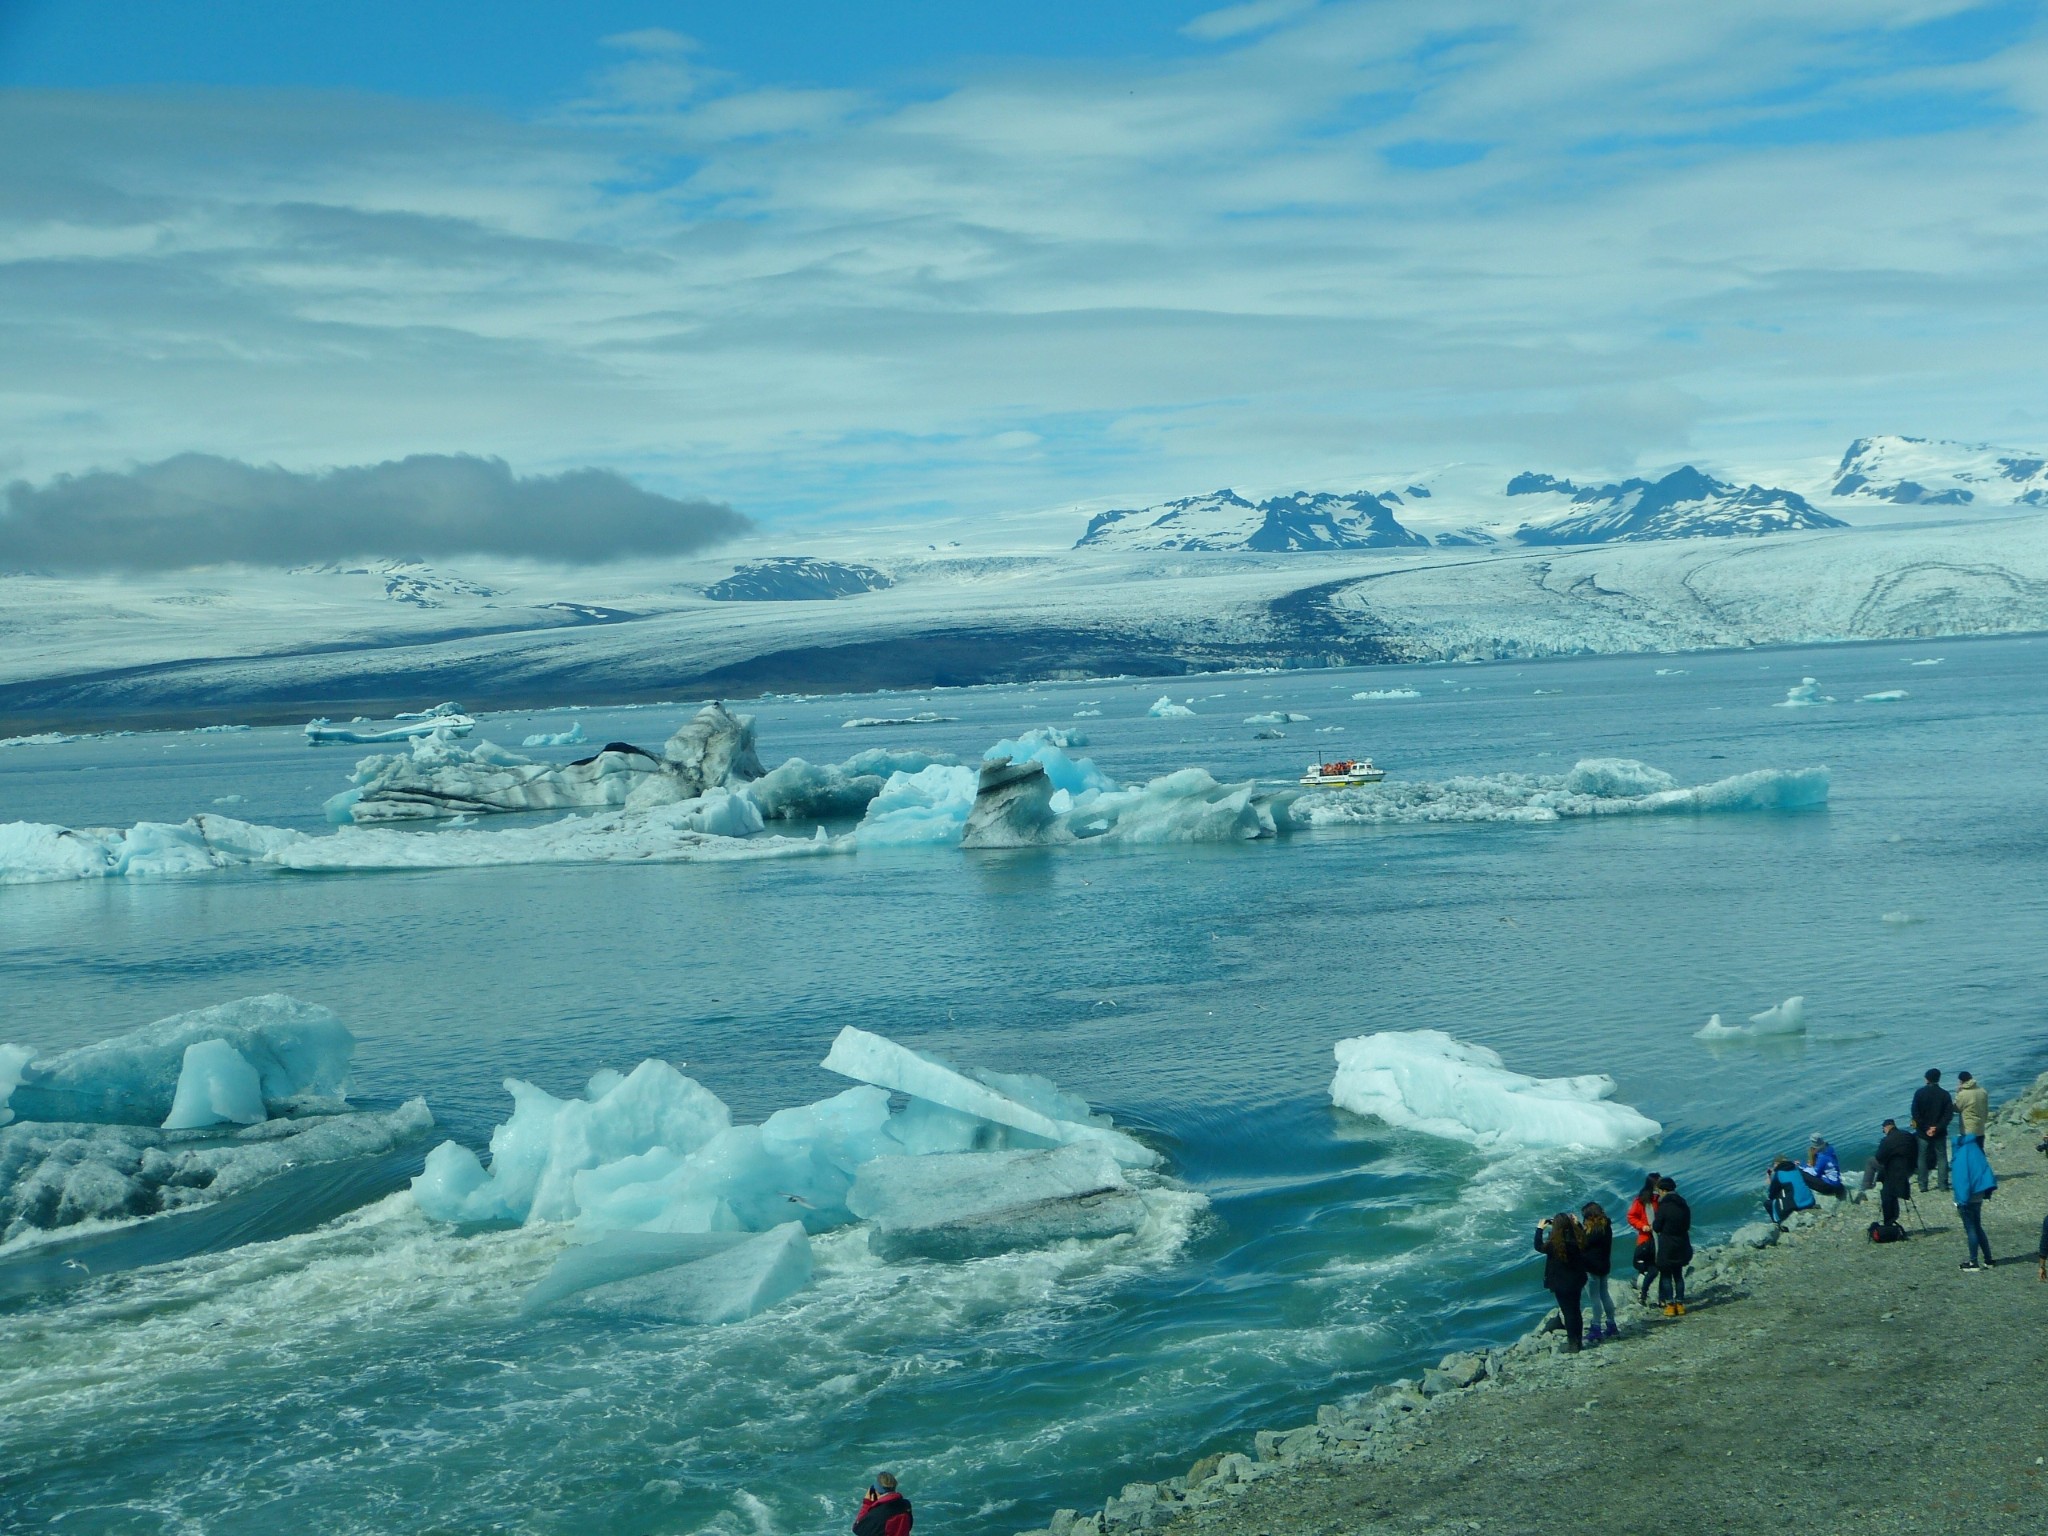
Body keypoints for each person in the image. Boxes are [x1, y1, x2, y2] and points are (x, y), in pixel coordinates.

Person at [1534, 1210, 1587, 1351]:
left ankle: (1573, 1344)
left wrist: (1539, 1229)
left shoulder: (1553, 1244)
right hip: (1577, 1281)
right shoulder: (1578, 1239)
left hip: (1561, 1284)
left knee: (1568, 1312)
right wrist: (1578, 1224)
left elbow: (1538, 1246)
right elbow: (1584, 1237)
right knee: (1576, 1310)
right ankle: (1579, 1341)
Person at [1951, 1130, 1998, 1272]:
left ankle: (1973, 1262)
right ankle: (1988, 1259)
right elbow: (1986, 1171)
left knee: (1970, 1229)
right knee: (1978, 1227)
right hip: (1979, 1194)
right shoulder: (1976, 1149)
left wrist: (1961, 1201)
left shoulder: (1961, 1155)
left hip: (1968, 1196)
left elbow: (1962, 1180)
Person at [1651, 1176, 1692, 1316]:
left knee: (1666, 1275)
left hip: (1667, 1244)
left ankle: (1670, 1305)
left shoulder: (1663, 1207)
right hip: (1682, 1242)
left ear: (1663, 1191)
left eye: (1659, 1191)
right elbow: (1687, 1224)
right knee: (1678, 1275)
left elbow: (1657, 1226)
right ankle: (1680, 1304)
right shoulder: (1683, 1204)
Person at [1910, 1069, 1954, 1193]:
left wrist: (1926, 1128)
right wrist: (1937, 1127)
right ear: (1938, 1079)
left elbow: (1915, 1113)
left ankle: (1923, 1185)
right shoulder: (1944, 1094)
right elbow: (1948, 1115)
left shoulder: (1919, 1093)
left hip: (1923, 1133)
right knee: (1942, 1157)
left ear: (1927, 1079)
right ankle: (1943, 1185)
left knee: (1922, 1157)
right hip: (1939, 1132)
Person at [1579, 1202, 1617, 1343]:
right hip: (1604, 1266)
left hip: (1591, 1268)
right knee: (1604, 1294)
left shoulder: (1593, 1232)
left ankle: (1596, 1327)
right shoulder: (1606, 1227)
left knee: (1594, 1298)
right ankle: (1611, 1324)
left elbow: (1582, 1243)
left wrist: (1577, 1227)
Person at [1872, 1118, 1919, 1228]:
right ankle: (1892, 1217)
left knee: (1886, 1192)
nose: (1884, 1132)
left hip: (1895, 1171)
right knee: (1888, 1179)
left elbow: (1879, 1157)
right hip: (1910, 1169)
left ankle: (1889, 1221)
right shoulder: (1907, 1135)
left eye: (1883, 1130)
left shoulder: (1887, 1140)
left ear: (1887, 1127)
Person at [1626, 1173, 1660, 1305]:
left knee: (1658, 1268)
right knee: (1653, 1268)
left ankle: (1657, 1296)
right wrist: (1642, 1226)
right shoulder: (1641, 1200)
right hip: (1646, 1239)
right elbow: (1631, 1216)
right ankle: (1643, 1292)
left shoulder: (1660, 1198)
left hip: (1659, 1238)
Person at [1800, 1133, 1844, 1197]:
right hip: (1837, 1182)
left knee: (1801, 1173)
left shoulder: (1822, 1157)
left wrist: (1803, 1166)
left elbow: (1815, 1174)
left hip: (1831, 1187)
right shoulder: (1830, 1148)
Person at [1953, 1071, 1989, 1137]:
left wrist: (1957, 1093)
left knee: (1969, 1146)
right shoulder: (1983, 1091)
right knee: (1979, 1146)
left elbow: (1956, 1109)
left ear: (1961, 1081)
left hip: (1968, 1129)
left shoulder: (1963, 1094)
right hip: (1981, 1126)